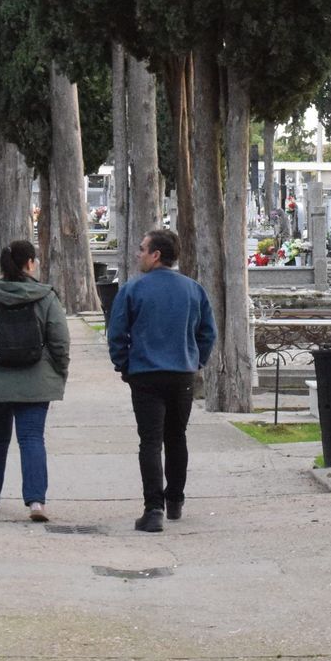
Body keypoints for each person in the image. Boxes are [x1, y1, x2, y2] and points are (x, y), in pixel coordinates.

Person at [107, 228, 216, 532]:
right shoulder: (193, 290)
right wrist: (196, 360)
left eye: (142, 249)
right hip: (181, 373)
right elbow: (208, 332)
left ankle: (153, 508)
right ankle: (175, 500)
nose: (138, 254)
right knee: (176, 436)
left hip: (145, 373)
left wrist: (124, 364)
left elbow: (117, 332)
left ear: (156, 255)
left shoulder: (133, 289)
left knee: (150, 441)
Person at [0, 238, 70, 521]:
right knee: (32, 437)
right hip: (36, 381)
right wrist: (59, 370)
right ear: (30, 263)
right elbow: (59, 340)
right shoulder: (46, 297)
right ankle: (36, 502)